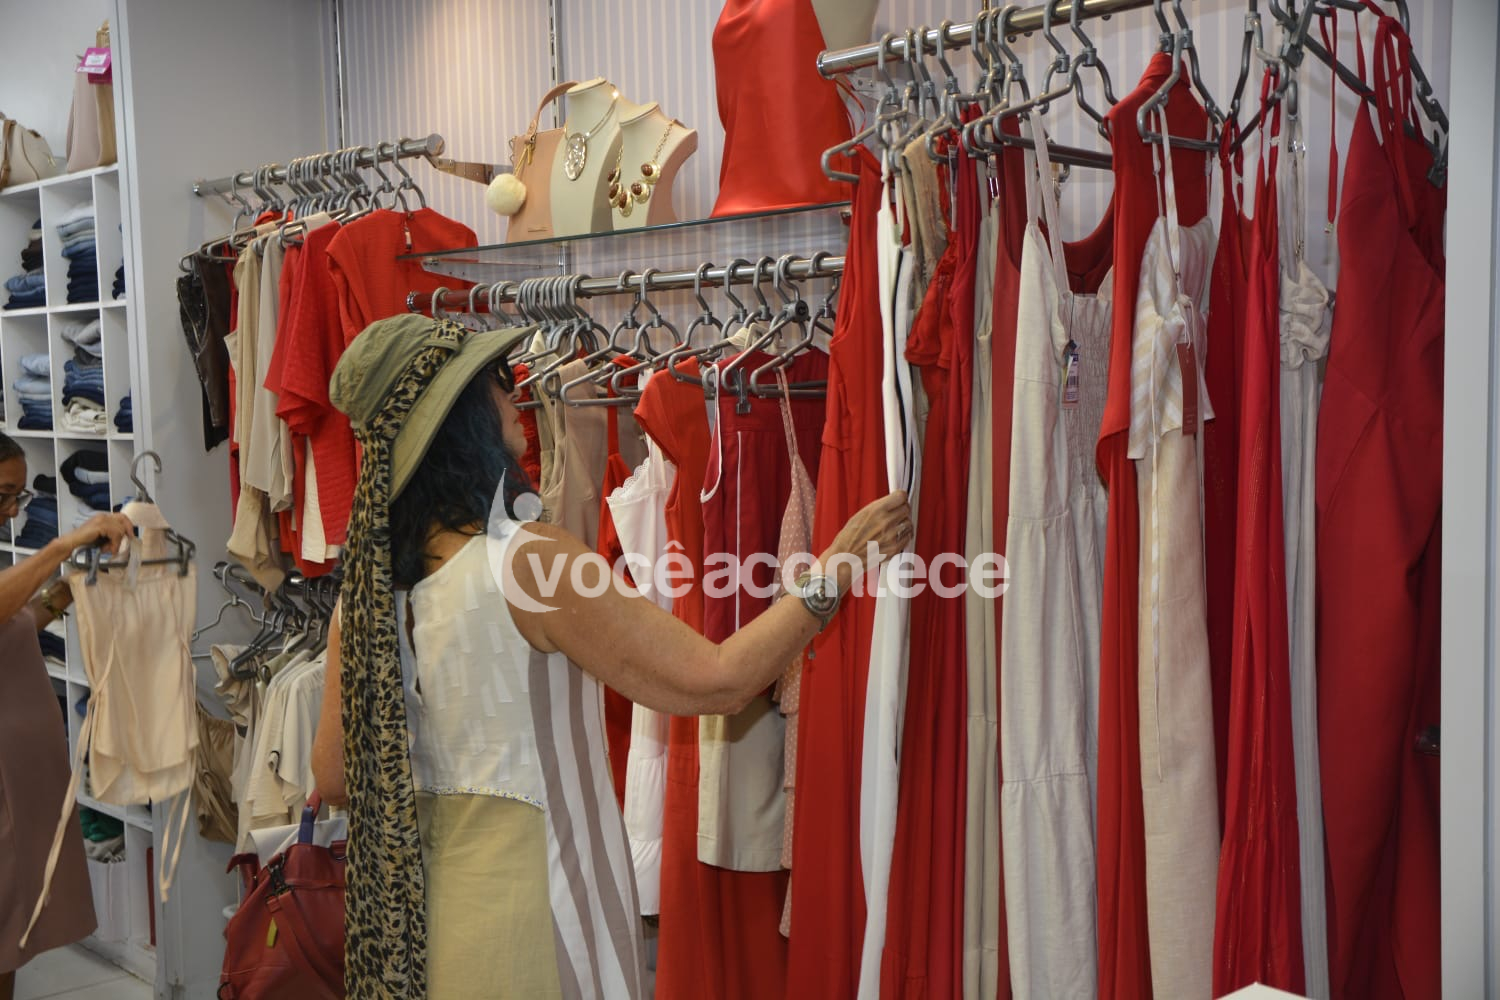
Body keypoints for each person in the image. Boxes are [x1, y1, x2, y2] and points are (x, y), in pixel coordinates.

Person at [311, 315, 911, 998]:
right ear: (462, 418)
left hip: (433, 930)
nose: (514, 396)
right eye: (497, 383)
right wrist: (834, 568)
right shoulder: (530, 564)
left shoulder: (364, 598)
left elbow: (334, 775)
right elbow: (719, 681)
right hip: (543, 915)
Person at [0, 433, 133, 1000]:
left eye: (18, 496)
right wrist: (61, 545)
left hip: (20, 779)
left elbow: (18, 622)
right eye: (4, 495)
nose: (13, 510)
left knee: (10, 929)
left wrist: (71, 586)